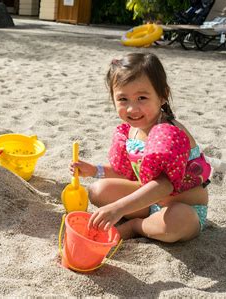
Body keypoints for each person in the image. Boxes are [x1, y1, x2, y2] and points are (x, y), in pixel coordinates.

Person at [70, 53, 211, 242]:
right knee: (98, 190)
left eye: (142, 98)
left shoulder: (168, 133)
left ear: (162, 96)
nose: (132, 109)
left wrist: (118, 208)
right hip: (149, 203)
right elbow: (130, 172)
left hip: (182, 209)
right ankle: (145, 219)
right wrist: (95, 170)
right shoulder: (132, 131)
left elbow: (164, 185)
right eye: (123, 99)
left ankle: (136, 226)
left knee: (177, 223)